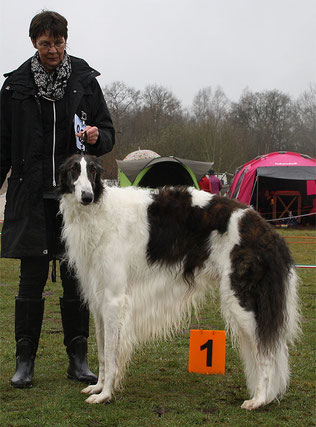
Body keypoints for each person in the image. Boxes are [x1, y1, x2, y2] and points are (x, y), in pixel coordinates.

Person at [0, 11, 115, 388]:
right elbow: (2, 146)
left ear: (67, 40)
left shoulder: (84, 81)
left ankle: (78, 359)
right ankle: (25, 361)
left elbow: (109, 132)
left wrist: (100, 137)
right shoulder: (14, 87)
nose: (53, 50)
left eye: (59, 42)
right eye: (46, 43)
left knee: (75, 279)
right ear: (34, 43)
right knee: (30, 280)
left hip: (74, 200)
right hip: (30, 196)